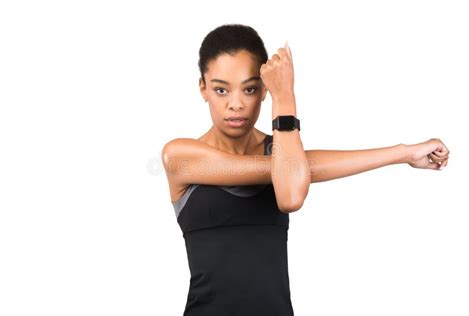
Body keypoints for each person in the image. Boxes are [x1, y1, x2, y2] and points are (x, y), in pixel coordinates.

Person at [161, 23, 450, 316]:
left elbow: (291, 183)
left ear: (263, 91)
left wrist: (404, 153)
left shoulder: (286, 155)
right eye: (221, 89)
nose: (235, 104)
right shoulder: (180, 157)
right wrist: (285, 97)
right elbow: (291, 184)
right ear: (203, 89)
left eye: (249, 89)